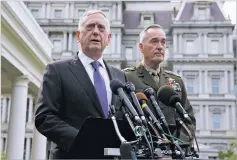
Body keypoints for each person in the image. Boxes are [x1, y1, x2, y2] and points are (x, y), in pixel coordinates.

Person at [35, 10, 127, 159]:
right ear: (78, 36)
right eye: (90, 27)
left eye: (101, 28)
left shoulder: (120, 76)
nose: (96, 32)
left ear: (109, 38)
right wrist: (82, 140)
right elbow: (44, 117)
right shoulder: (57, 70)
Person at [123, 24, 196, 144]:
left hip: (174, 151)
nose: (160, 47)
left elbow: (188, 119)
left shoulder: (176, 81)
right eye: (154, 42)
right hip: (142, 150)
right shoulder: (126, 77)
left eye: (163, 42)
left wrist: (180, 146)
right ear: (141, 47)